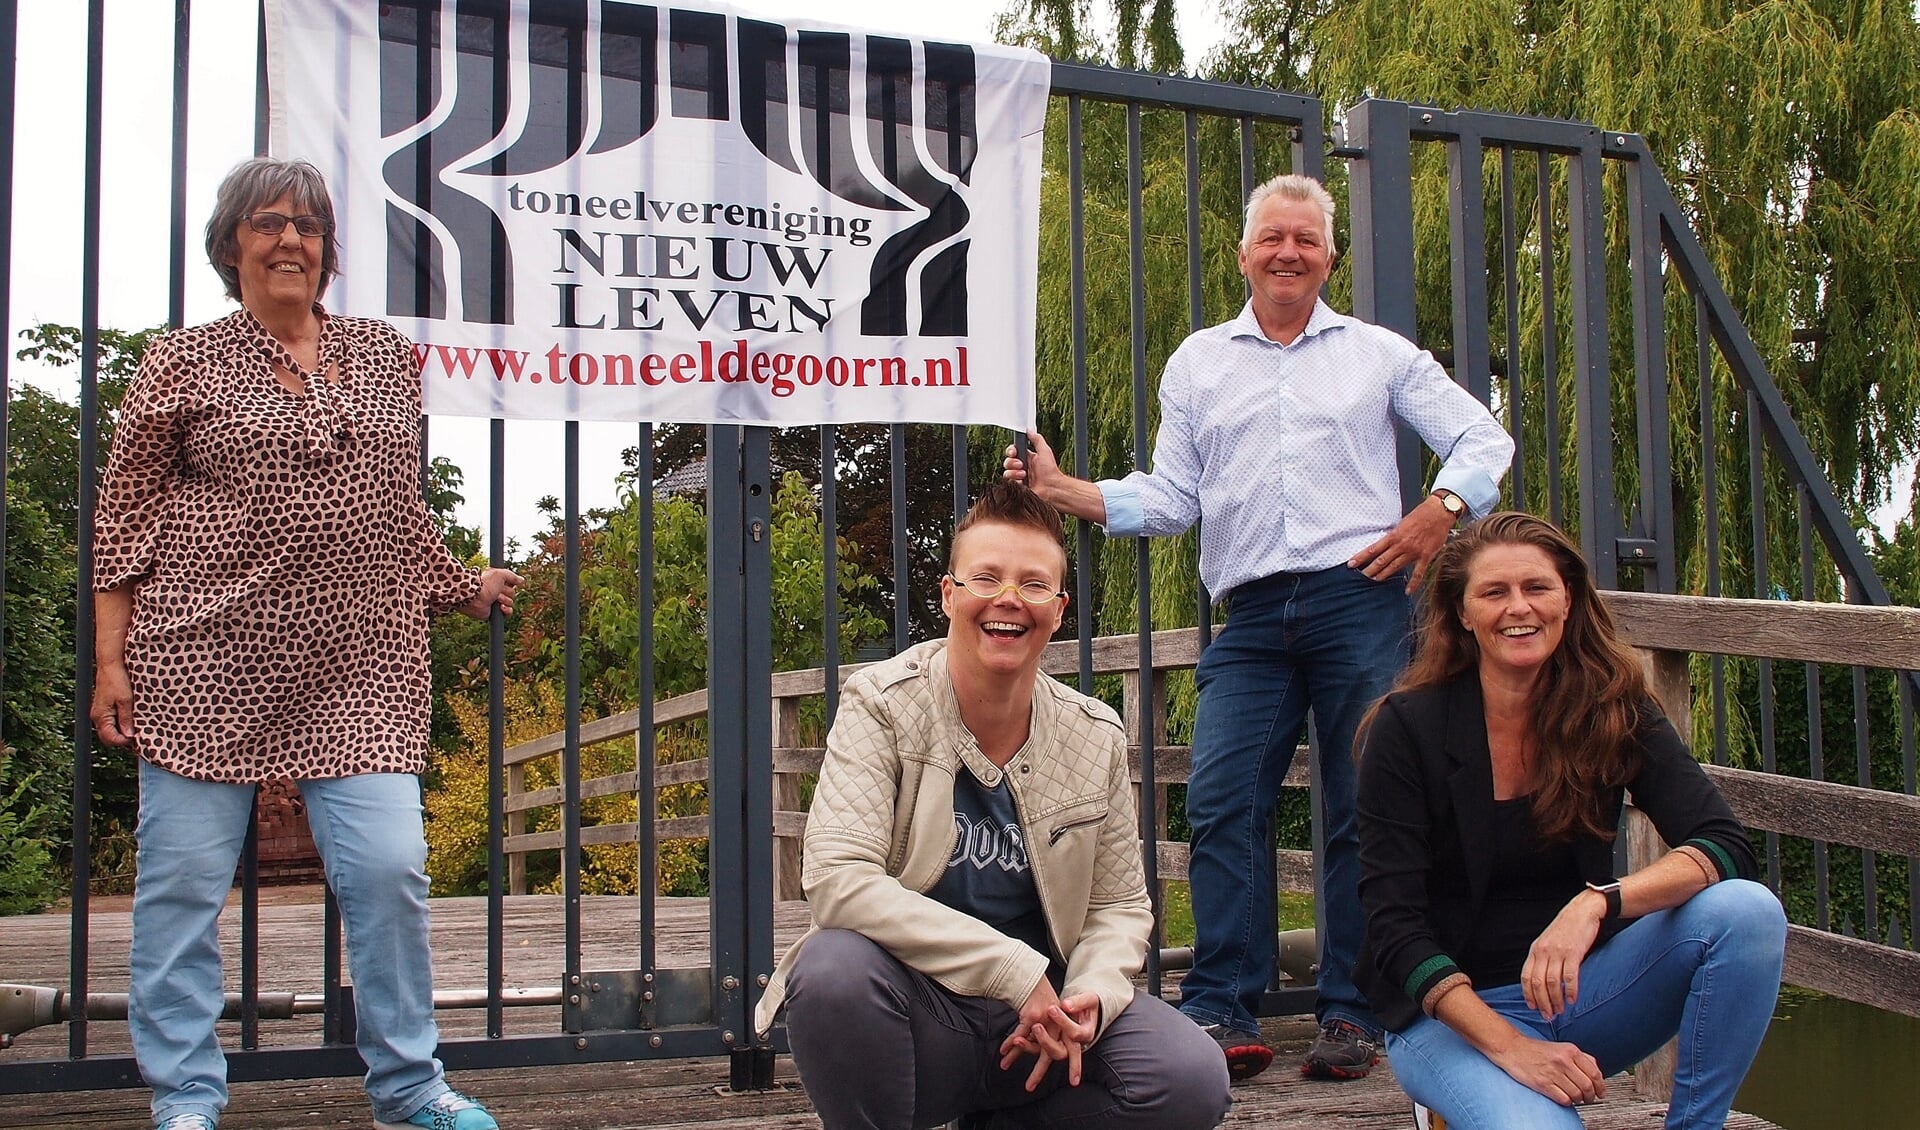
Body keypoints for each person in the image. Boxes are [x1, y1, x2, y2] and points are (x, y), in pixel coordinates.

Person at [1003, 173, 1513, 1081]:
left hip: (1361, 597)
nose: (1289, 252)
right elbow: (1171, 498)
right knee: (1221, 798)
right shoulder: (1199, 362)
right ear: (1244, 254)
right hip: (1248, 612)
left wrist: (1441, 508)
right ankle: (1221, 1009)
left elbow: (1484, 439)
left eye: (1306, 240)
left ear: (1329, 256)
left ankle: (1355, 1010)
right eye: (1272, 238)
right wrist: (1060, 492)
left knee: (1367, 804)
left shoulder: (1378, 353)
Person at [89, 157, 522, 1130]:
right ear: (231, 242)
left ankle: (411, 1088)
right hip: (204, 659)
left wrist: (463, 583)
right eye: (270, 221)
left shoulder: (379, 353)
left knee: (387, 870)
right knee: (183, 888)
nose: (291, 238)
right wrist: (112, 659)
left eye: (309, 226)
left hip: (360, 666)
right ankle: (188, 1097)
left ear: (327, 251)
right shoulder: (181, 361)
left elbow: (394, 508)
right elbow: (123, 520)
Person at [751, 483, 1230, 1130]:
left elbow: (1117, 908)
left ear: (1060, 609)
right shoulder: (882, 703)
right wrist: (1009, 969)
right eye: (986, 578)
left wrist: (1090, 994)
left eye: (1034, 585)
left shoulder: (1096, 734)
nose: (1008, 599)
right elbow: (839, 882)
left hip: (1041, 1021)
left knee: (1189, 1077)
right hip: (921, 1014)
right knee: (832, 972)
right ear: (950, 594)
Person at [1353, 512, 1787, 1129]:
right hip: (1449, 1017)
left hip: (1581, 995)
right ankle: (1452, 1099)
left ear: (1568, 600)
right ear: (1461, 614)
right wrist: (1514, 1049)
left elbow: (1723, 846)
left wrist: (1599, 904)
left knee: (1747, 912)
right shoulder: (1406, 728)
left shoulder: (1612, 707)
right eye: (1494, 592)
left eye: (1537, 587)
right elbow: (1395, 929)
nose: (1518, 608)